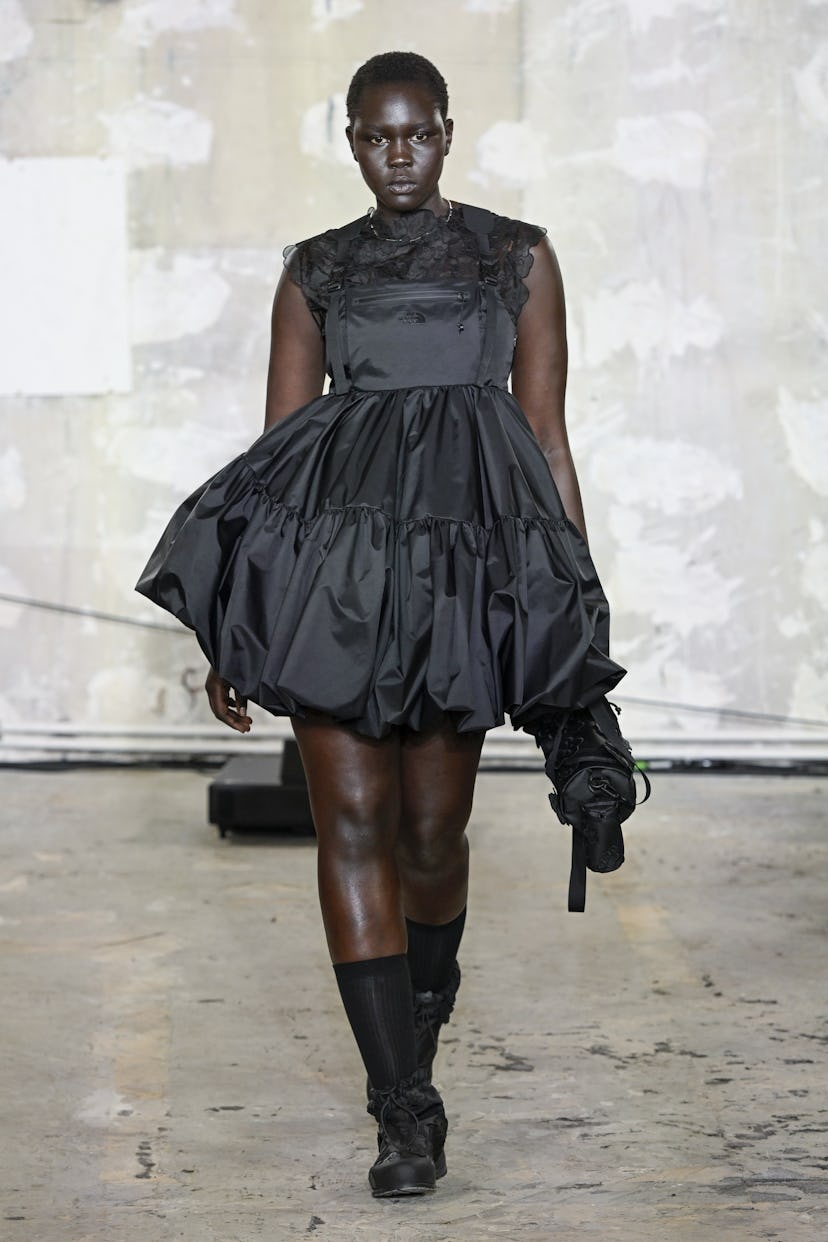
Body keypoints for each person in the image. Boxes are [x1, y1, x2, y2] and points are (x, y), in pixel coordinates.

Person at [136, 50, 624, 1198]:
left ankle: (420, 1010)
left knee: (431, 838)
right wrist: (235, 629)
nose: (395, 153)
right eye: (373, 136)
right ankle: (404, 1106)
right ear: (349, 140)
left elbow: (547, 439)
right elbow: (274, 455)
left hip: (460, 575)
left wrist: (573, 613)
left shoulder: (516, 255)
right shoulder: (318, 269)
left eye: (414, 134)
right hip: (336, 582)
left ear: (447, 134)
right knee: (348, 820)